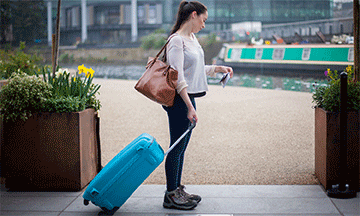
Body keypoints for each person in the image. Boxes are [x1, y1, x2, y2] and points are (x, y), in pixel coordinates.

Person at [162, 0, 233, 211]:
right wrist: (189, 107)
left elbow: (195, 68)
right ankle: (170, 195)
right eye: (203, 19)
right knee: (176, 147)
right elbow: (178, 77)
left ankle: (176, 190)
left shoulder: (192, 39)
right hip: (178, 100)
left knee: (181, 148)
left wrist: (218, 68)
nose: (204, 24)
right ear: (193, 15)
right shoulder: (176, 41)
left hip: (188, 98)